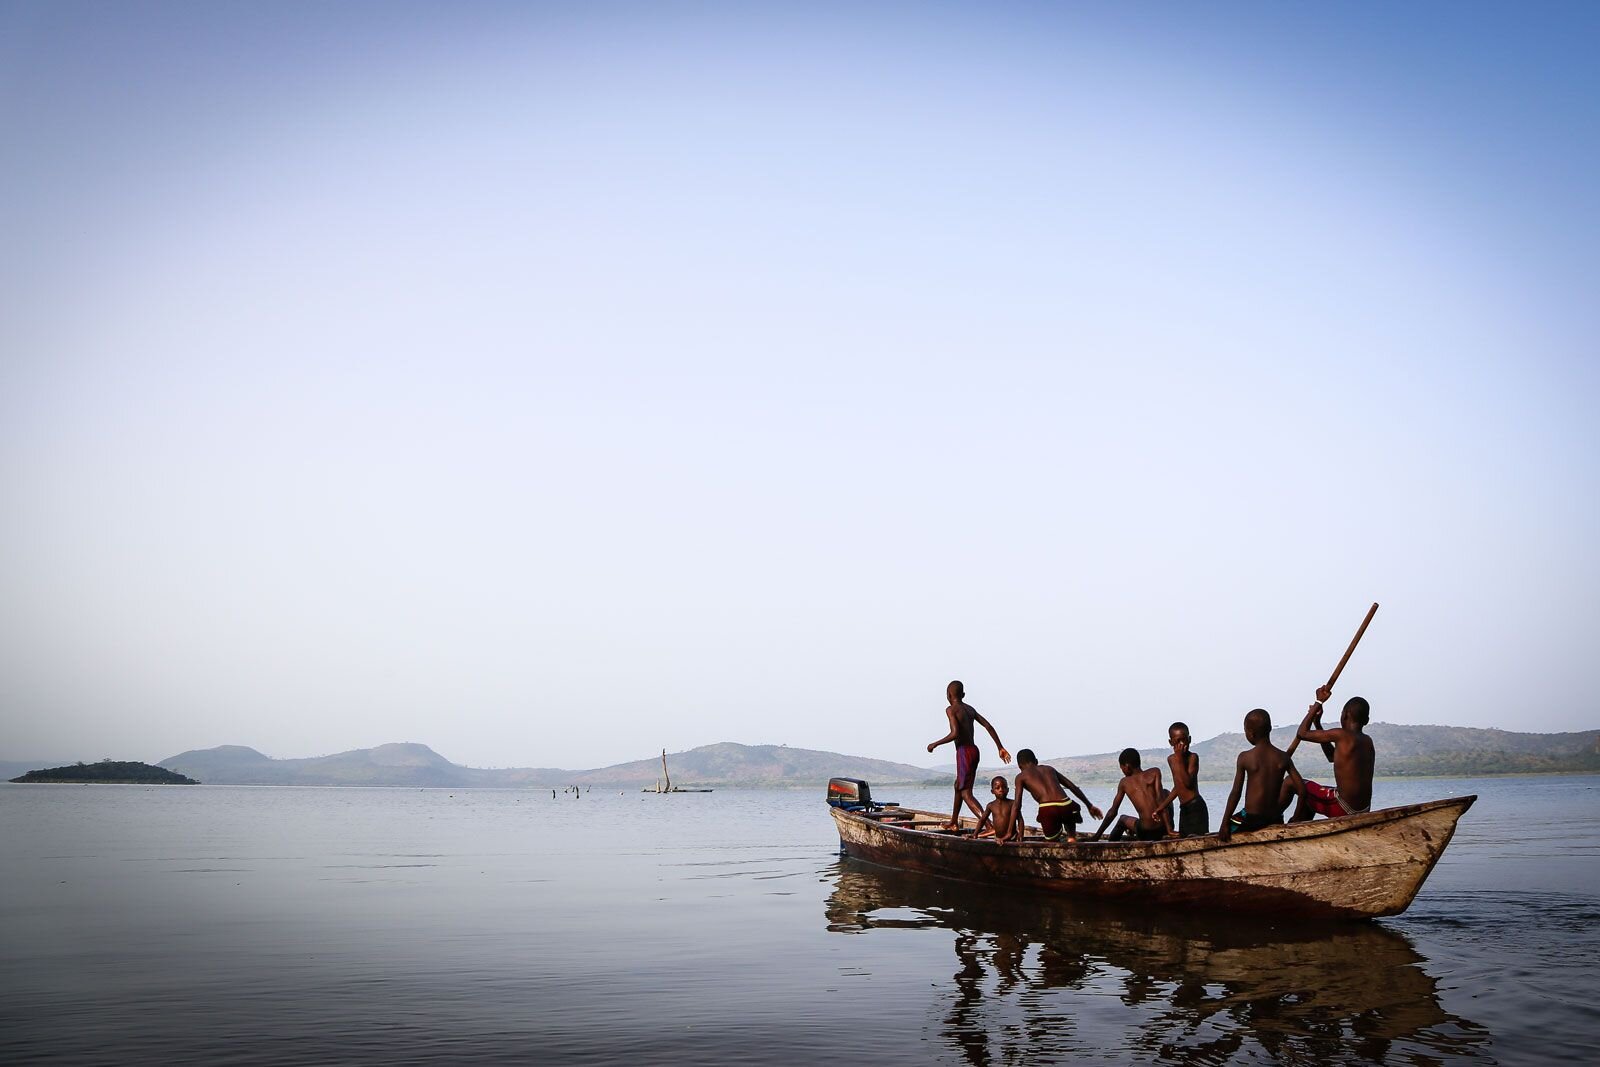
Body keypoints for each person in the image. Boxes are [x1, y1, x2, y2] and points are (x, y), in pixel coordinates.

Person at [927, 680, 1010, 830]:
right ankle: (953, 822)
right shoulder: (970, 709)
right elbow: (988, 726)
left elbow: (955, 733)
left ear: (948, 695)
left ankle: (989, 826)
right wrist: (1000, 747)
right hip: (974, 750)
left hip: (964, 752)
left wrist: (935, 744)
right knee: (958, 786)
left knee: (966, 793)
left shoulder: (951, 710)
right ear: (963, 694)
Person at [1218, 709, 1305, 841]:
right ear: (1270, 728)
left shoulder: (1245, 757)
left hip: (1251, 819)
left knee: (1229, 826)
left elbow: (1235, 793)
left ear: (1251, 733)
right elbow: (1302, 789)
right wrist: (1296, 817)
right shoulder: (1283, 757)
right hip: (1275, 818)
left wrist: (1224, 823)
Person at [1290, 686, 1375, 819]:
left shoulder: (1341, 735)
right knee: (1311, 797)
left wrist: (1318, 702)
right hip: (1363, 810)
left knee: (1290, 781)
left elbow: (1302, 733)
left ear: (1345, 715)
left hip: (1343, 808)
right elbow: (1331, 757)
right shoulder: (1367, 741)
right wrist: (1317, 723)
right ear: (1366, 720)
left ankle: (1274, 817)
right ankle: (1297, 824)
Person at [1013, 749, 1103, 842]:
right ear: (1036, 761)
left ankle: (1054, 838)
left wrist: (1011, 832)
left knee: (1051, 839)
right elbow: (1072, 787)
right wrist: (1089, 805)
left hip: (1047, 809)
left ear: (1020, 767)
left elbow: (1016, 806)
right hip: (1066, 804)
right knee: (1069, 809)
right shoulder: (1049, 769)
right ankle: (1071, 837)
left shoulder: (1021, 777)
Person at [1092, 748, 1171, 841]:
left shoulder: (1124, 782)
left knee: (1122, 819)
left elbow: (1112, 813)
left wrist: (1097, 835)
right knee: (1166, 793)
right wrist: (1169, 829)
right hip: (1162, 828)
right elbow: (1160, 800)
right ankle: (1168, 828)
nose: (1123, 771)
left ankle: (1110, 844)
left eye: (1122, 768)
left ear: (1127, 766)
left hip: (1146, 831)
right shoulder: (1155, 772)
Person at [1166, 722, 1209, 837]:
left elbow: (1188, 783)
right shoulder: (1171, 760)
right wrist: (1161, 807)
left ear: (1189, 739)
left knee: (1198, 842)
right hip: (1184, 809)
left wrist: (1179, 759)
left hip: (1196, 807)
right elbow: (1178, 787)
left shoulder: (1193, 757)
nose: (1181, 744)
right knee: (1184, 841)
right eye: (1177, 741)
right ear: (1171, 742)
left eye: (1184, 740)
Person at [973, 775, 1026, 844]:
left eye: (1004, 787)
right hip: (998, 838)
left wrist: (1020, 835)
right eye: (997, 788)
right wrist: (975, 834)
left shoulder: (1013, 804)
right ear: (992, 791)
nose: (1001, 790)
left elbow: (1020, 820)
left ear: (1008, 790)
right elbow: (982, 820)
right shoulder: (991, 805)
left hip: (1012, 837)